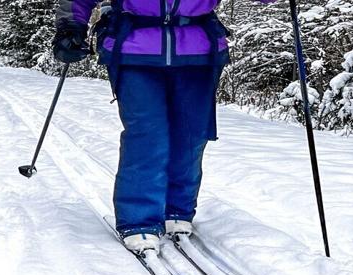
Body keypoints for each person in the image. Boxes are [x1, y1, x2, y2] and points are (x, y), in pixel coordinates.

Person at [54, 0, 274, 252]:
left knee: (191, 134)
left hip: (198, 49)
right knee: (147, 134)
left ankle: (176, 209)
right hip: (134, 48)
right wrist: (70, 26)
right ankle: (140, 219)